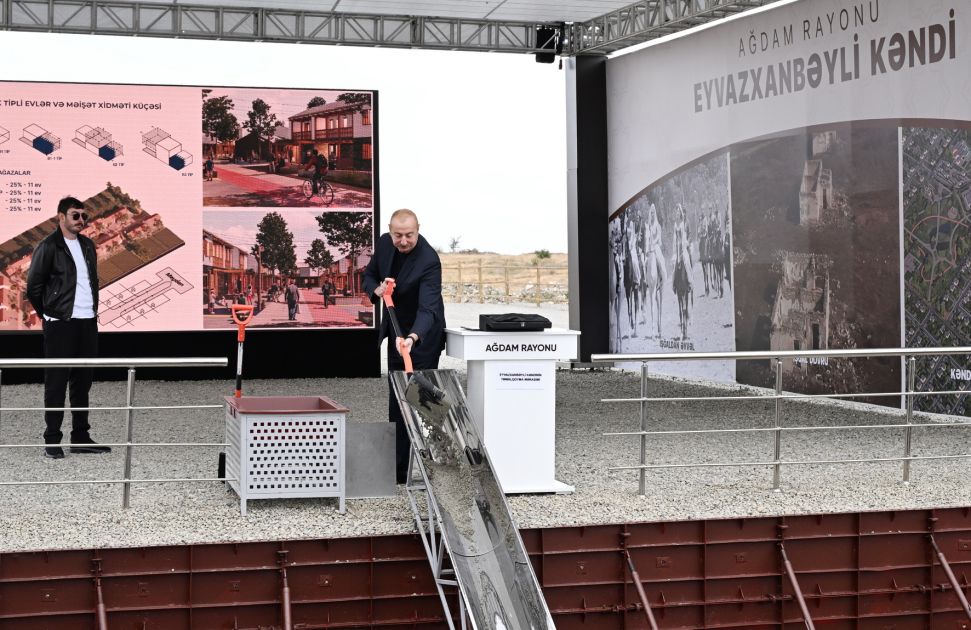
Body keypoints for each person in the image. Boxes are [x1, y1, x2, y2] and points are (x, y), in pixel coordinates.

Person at [363, 209, 446, 484]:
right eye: (398, 235)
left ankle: (437, 466)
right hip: (396, 335)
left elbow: (428, 309)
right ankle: (399, 473)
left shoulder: (429, 260)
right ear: (390, 231)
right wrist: (375, 289)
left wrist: (412, 338)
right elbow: (370, 275)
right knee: (397, 404)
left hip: (421, 339)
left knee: (423, 404)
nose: (403, 241)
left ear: (418, 230)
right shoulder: (385, 244)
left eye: (409, 235)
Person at [26, 196, 110, 459]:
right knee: (56, 382)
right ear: (61, 217)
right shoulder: (48, 246)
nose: (81, 221)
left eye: (84, 216)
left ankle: (80, 437)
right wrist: (50, 314)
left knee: (82, 382)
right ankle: (52, 439)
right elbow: (34, 287)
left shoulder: (87, 245)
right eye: (75, 215)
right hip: (60, 322)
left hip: (87, 321)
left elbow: (89, 281)